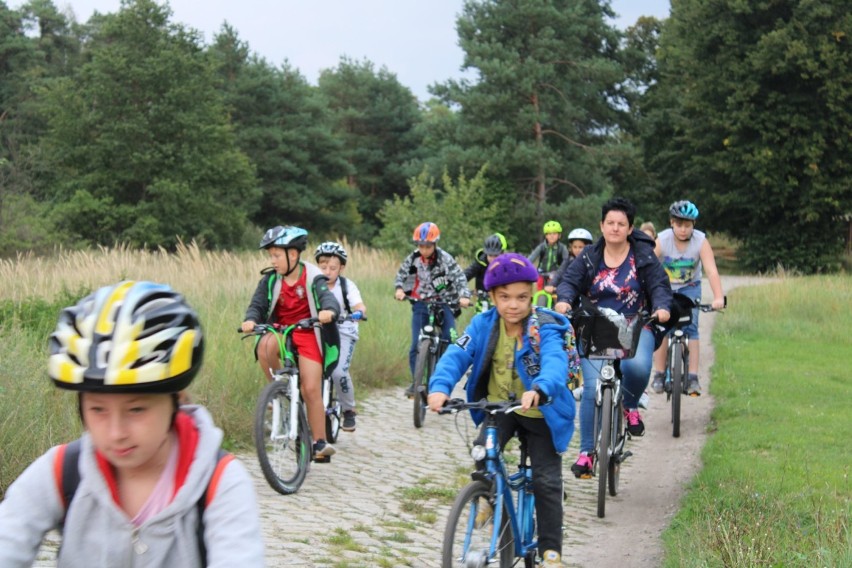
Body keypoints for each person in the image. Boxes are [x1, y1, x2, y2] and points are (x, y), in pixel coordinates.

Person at [0, 281, 265, 567]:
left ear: (176, 400)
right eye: (97, 409)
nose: (116, 433)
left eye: (137, 409)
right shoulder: (63, 471)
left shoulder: (219, 482)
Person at [427, 253, 576, 568]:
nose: (513, 305)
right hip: (500, 410)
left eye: (522, 297)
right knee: (483, 454)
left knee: (546, 481)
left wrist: (540, 389)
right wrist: (440, 388)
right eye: (504, 297)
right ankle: (486, 495)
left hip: (540, 413)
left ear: (532, 295)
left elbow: (554, 360)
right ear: (492, 296)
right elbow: (457, 353)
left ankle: (551, 551)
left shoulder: (543, 326)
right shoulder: (483, 324)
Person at [554, 197, 672, 478]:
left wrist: (662, 307)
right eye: (610, 223)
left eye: (621, 224)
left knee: (637, 367)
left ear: (630, 228)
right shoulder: (589, 257)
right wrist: (564, 300)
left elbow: (659, 285)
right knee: (592, 388)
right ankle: (586, 454)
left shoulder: (643, 257)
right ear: (602, 226)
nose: (615, 228)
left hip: (636, 324)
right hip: (595, 326)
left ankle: (630, 405)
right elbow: (569, 281)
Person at [241, 225, 340, 459]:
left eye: (276, 255)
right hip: (281, 332)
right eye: (271, 256)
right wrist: (250, 319)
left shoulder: (313, 276)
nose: (273, 260)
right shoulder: (270, 280)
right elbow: (257, 305)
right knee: (264, 346)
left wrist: (328, 311)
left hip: (308, 331)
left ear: (292, 254)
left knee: (310, 387)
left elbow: (327, 298)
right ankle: (279, 391)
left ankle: (318, 442)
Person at [651, 200, 725, 395]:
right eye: (679, 224)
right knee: (662, 326)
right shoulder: (663, 239)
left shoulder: (700, 241)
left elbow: (711, 270)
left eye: (688, 225)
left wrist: (718, 297)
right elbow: (647, 265)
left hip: (690, 288)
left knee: (691, 329)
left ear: (693, 225)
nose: (683, 229)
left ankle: (692, 376)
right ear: (671, 223)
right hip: (665, 288)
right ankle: (658, 373)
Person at [394, 221, 471, 397]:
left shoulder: (445, 259)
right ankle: (417, 382)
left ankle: (441, 378)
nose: (424, 250)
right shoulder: (413, 258)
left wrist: (464, 296)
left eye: (427, 246)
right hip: (421, 302)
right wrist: (399, 289)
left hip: (445, 303)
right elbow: (401, 275)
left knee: (449, 339)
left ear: (435, 244)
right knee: (415, 344)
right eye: (421, 246)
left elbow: (459, 278)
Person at [314, 241, 367, 432]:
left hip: (344, 330)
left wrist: (359, 312)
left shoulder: (346, 286)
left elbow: (359, 305)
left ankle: (349, 409)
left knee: (338, 371)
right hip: (318, 330)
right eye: (323, 266)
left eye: (333, 268)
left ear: (341, 268)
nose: (327, 271)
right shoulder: (313, 284)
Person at [464, 232, 508, 308]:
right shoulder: (480, 262)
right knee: (480, 319)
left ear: (503, 253)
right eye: (490, 255)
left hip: (502, 301)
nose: (493, 259)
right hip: (483, 301)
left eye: (496, 256)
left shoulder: (507, 265)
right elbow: (465, 275)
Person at [528, 221, 569, 294]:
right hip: (542, 273)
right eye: (549, 234)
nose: (552, 236)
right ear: (546, 236)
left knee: (554, 291)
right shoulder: (542, 247)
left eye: (554, 233)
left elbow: (566, 261)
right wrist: (523, 264)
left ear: (559, 235)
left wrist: (560, 273)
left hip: (555, 274)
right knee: (539, 292)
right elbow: (531, 258)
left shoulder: (562, 248)